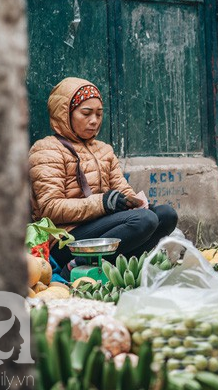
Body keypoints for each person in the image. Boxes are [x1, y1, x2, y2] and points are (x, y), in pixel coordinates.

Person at [28, 77, 178, 280]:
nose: (94, 120)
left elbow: (122, 190)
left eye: (99, 114)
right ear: (65, 114)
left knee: (166, 215)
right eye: (86, 113)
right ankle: (76, 264)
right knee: (144, 220)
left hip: (102, 229)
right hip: (66, 239)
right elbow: (50, 209)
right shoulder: (46, 150)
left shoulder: (103, 150)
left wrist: (135, 202)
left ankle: (120, 268)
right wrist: (103, 203)